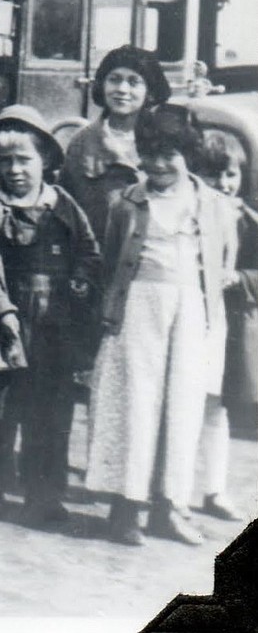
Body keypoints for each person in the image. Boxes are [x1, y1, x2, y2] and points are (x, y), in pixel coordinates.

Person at [86, 104, 235, 547]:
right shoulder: (127, 202)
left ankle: (168, 506)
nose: (158, 164)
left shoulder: (211, 205)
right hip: (138, 308)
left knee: (183, 407)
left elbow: (220, 263)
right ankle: (125, 507)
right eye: (149, 153)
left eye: (169, 154)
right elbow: (113, 261)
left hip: (191, 312)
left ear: (189, 155)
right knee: (134, 403)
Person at [0, 105, 101, 524]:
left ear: (44, 159)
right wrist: (1, 312)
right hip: (6, 319)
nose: (15, 170)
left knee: (52, 409)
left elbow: (89, 250)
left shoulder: (62, 204)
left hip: (54, 322)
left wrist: (81, 278)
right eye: (4, 161)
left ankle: (44, 493)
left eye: (24, 160)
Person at [193, 130, 252, 522]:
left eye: (231, 176)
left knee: (216, 409)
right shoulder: (188, 214)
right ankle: (165, 485)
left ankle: (214, 489)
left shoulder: (249, 221)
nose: (224, 185)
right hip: (192, 320)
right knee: (180, 403)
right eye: (214, 176)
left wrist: (241, 278)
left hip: (228, 328)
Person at [60, 44, 171, 239]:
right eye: (114, 79)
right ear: (102, 85)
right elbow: (66, 211)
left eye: (133, 82)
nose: (122, 89)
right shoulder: (82, 142)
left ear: (150, 91)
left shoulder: (167, 141)